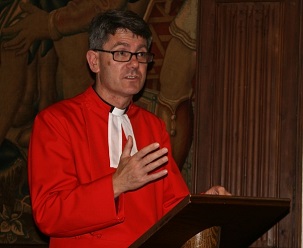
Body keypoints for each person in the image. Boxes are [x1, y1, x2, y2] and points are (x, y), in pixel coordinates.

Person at [28, 10, 230, 248]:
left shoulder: (153, 127)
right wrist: (116, 184)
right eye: (122, 53)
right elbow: (49, 214)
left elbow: (171, 207)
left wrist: (204, 205)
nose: (135, 64)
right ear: (94, 61)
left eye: (141, 54)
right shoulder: (56, 122)